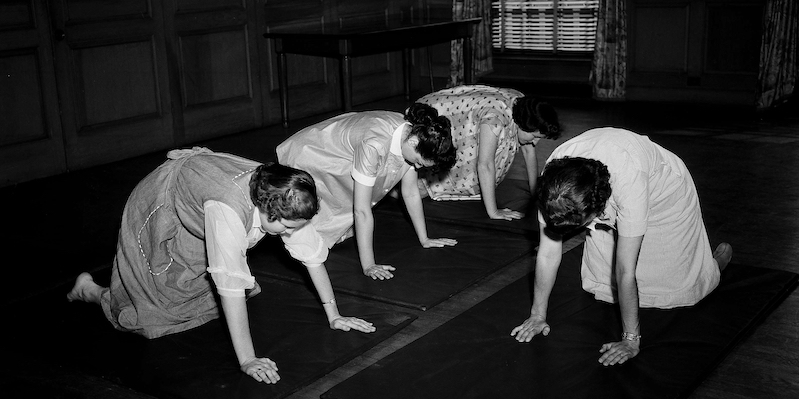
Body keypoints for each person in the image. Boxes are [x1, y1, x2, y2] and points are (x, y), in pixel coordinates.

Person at [67, 148, 375, 384]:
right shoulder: (227, 210)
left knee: (220, 288)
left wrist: (334, 314)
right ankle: (93, 292)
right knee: (151, 315)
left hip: (200, 194)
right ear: (267, 212)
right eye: (287, 228)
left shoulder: (283, 194)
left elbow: (310, 255)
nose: (292, 235)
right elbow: (228, 287)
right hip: (163, 202)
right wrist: (248, 359)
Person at [510, 127, 733, 366]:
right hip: (601, 188)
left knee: (680, 287)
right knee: (605, 286)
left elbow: (626, 270)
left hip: (664, 192)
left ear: (598, 208)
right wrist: (537, 315)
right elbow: (547, 252)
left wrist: (631, 340)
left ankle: (714, 264)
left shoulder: (629, 182)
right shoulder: (554, 187)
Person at [276, 103, 458, 281]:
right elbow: (362, 211)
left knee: (346, 204)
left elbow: (410, 192)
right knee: (302, 224)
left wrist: (425, 239)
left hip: (342, 153)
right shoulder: (375, 145)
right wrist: (369, 265)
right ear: (413, 142)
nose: (417, 167)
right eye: (419, 162)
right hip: (313, 153)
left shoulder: (414, 136)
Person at [415, 85, 561, 220]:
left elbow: (529, 152)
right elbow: (485, 165)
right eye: (535, 137)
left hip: (459, 115)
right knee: (421, 187)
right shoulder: (495, 119)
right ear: (523, 125)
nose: (535, 142)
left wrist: (535, 193)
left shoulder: (522, 107)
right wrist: (494, 212)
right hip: (432, 117)